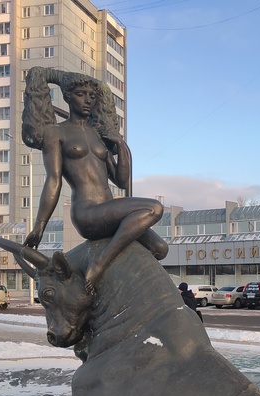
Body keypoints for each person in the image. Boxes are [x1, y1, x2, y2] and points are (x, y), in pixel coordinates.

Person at [21, 67, 168, 293]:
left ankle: (116, 287)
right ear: (67, 97)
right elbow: (53, 180)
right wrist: (39, 226)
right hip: (87, 213)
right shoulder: (56, 132)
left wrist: (120, 145)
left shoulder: (97, 134)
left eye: (92, 96)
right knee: (154, 208)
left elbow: (121, 180)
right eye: (81, 94)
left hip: (108, 210)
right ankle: (100, 262)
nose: (88, 100)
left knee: (160, 248)